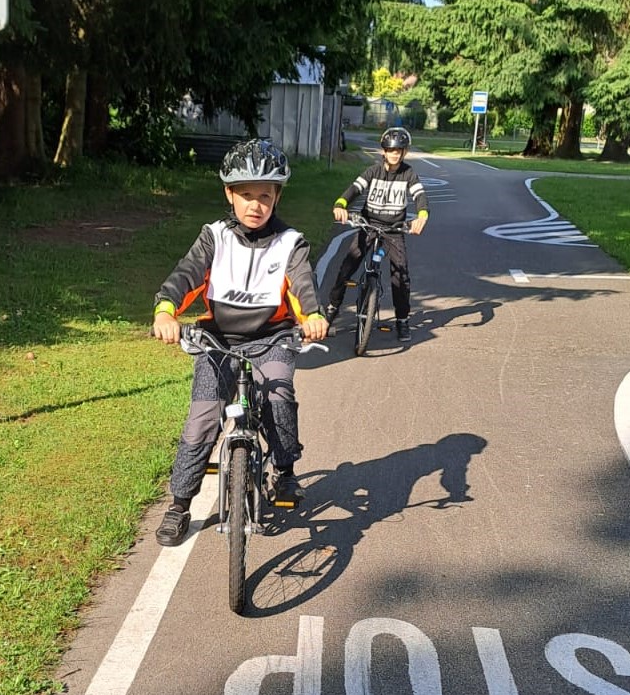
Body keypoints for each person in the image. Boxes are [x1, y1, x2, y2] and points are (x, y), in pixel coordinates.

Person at [151, 138, 328, 546]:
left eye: (265, 196)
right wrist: (165, 310)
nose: (255, 205)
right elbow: (186, 275)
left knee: (279, 396)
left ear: (277, 196)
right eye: (246, 195)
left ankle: (284, 471)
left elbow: (303, 284)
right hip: (217, 340)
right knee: (202, 418)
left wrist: (313, 316)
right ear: (229, 194)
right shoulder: (214, 236)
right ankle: (179, 504)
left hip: (272, 338)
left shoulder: (291, 242)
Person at [323, 126, 429, 342]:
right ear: (384, 151)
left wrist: (422, 215)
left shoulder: (408, 174)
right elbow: (355, 189)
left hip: (394, 229)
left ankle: (402, 320)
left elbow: (420, 196)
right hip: (368, 225)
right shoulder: (373, 171)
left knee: (401, 276)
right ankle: (333, 307)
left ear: (404, 152)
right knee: (347, 266)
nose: (394, 154)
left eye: (398, 151)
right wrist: (340, 204)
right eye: (390, 150)